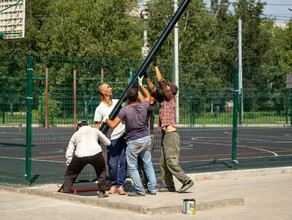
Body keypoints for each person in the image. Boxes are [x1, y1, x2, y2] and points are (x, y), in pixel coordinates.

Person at [144, 58, 194, 193]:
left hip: (171, 135)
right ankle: (169, 185)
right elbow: (153, 90)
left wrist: (155, 66)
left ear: (171, 91)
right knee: (163, 162)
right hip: (165, 134)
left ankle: (186, 180)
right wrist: (146, 76)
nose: (166, 87)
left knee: (171, 161)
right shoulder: (163, 100)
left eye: (168, 87)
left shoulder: (170, 98)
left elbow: (160, 83)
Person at [105, 83, 157, 197]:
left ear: (127, 98)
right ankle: (152, 188)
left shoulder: (125, 110)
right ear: (137, 97)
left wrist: (106, 119)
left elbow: (113, 124)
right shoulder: (144, 106)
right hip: (146, 138)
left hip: (134, 140)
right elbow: (148, 96)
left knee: (132, 166)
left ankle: (139, 190)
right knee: (148, 163)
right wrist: (141, 87)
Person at [62, 120, 111, 198]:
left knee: (70, 173)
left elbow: (70, 149)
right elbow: (108, 142)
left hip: (80, 155)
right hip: (96, 153)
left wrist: (69, 160)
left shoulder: (76, 134)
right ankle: (102, 192)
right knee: (101, 171)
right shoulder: (95, 130)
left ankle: (65, 191)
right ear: (87, 125)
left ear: (78, 126)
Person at [94, 83, 127, 195]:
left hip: (123, 135)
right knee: (112, 164)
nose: (111, 88)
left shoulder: (118, 102)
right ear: (103, 92)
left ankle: (120, 184)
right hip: (111, 138)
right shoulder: (99, 108)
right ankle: (113, 183)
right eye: (108, 87)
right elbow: (97, 125)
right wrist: (96, 140)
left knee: (123, 161)